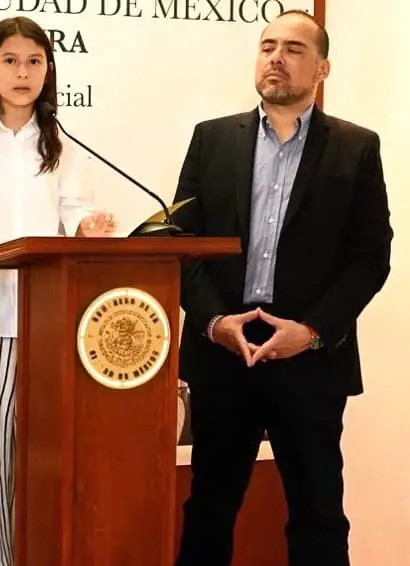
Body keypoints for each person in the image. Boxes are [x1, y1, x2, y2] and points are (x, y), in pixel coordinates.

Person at [173, 10, 392, 566]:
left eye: (293, 49)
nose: (275, 56)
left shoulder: (356, 147)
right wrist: (216, 323)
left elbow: (371, 258)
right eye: (267, 45)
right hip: (226, 357)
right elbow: (182, 245)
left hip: (310, 363)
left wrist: (312, 331)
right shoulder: (212, 139)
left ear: (321, 68)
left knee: (318, 516)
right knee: (209, 511)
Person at [0, 16, 118, 566]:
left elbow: (74, 214)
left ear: (48, 71)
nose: (22, 72)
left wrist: (87, 228)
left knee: (42, 452)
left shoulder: (63, 141)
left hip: (47, 319)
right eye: (10, 61)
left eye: (34, 61)